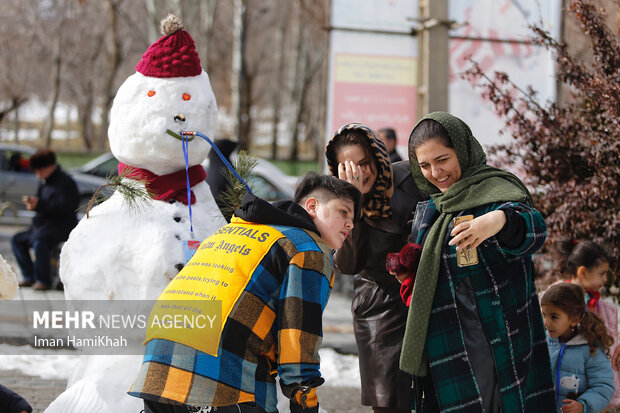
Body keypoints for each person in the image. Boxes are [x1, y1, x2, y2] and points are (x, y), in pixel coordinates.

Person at [128, 172, 362, 413]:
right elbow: (299, 341)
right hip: (222, 373)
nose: (350, 224)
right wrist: (305, 401)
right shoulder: (308, 249)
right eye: (343, 211)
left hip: (159, 361)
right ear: (312, 206)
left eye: (353, 219)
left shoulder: (228, 232)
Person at [399, 111, 556, 412]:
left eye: (442, 159)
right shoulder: (432, 210)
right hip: (445, 340)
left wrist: (498, 220)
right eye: (425, 165)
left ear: (463, 149)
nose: (435, 172)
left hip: (494, 341)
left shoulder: (497, 192)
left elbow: (534, 230)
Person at [325, 122, 426, 413]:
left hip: (426, 297)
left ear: (379, 157)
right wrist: (352, 205)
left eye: (365, 163)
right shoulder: (343, 204)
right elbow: (346, 265)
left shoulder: (411, 176)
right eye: (349, 167)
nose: (360, 173)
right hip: (381, 310)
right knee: (389, 401)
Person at [557, 240, 620, 409]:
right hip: (568, 393)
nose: (606, 279)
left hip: (599, 393)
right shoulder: (557, 303)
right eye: (602, 273)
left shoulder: (605, 309)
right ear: (583, 272)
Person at [10, 149, 80, 291]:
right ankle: (29, 276)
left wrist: (40, 205)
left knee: (39, 243)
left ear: (49, 167)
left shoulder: (66, 182)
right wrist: (34, 205)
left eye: (39, 171)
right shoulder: (44, 182)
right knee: (17, 239)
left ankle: (43, 280)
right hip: (42, 226)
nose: (38, 175)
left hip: (61, 227)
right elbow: (41, 202)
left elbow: (67, 208)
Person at [541, 283, 615, 413]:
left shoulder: (590, 348)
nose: (547, 322)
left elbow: (604, 387)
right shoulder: (544, 342)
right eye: (544, 315)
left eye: (554, 317)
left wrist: (583, 405)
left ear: (574, 319)